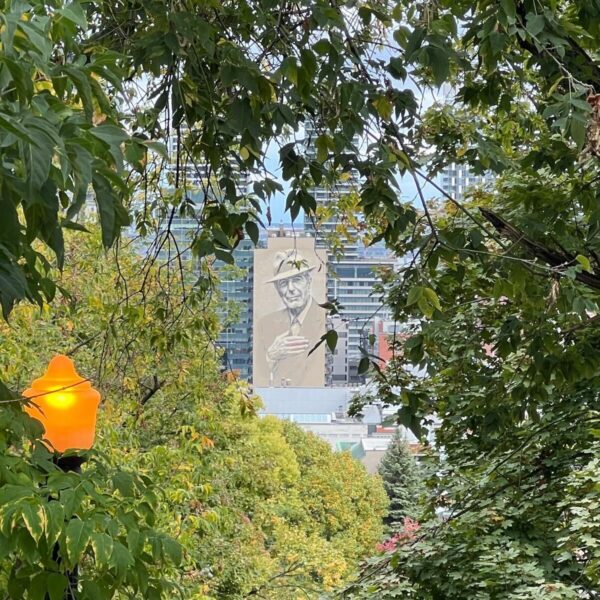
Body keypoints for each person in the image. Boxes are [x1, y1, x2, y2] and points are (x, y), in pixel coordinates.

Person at [255, 249, 325, 386]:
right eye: (283, 284)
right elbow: (259, 376)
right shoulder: (265, 324)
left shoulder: (325, 320)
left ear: (308, 282)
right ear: (277, 289)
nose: (291, 288)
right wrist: (270, 357)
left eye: (297, 280)